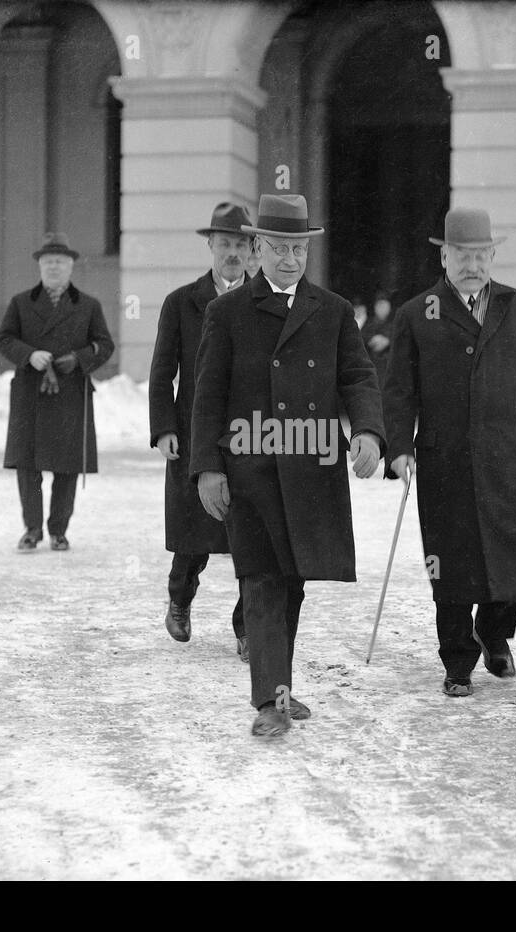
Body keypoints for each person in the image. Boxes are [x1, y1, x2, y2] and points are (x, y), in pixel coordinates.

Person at [190, 193, 385, 737]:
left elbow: (357, 377)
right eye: (278, 247)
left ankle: (280, 688)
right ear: (259, 248)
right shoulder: (225, 312)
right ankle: (267, 704)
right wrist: (208, 466)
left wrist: (368, 431)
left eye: (298, 248)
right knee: (261, 580)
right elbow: (208, 395)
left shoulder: (333, 311)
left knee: (293, 582)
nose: (290, 259)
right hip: (249, 471)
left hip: (310, 472)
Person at [383, 208, 516, 697]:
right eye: (461, 254)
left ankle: (495, 631)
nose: (471, 264)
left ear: (492, 255)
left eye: (480, 254)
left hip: (514, 457)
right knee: (451, 568)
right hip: (448, 463)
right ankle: (458, 662)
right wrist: (398, 448)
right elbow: (398, 391)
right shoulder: (415, 313)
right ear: (444, 255)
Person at [149, 203, 252, 655]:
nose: (232, 252)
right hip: (194, 432)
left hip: (251, 436)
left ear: (252, 250)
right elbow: (160, 372)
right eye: (225, 243)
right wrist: (163, 428)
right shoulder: (180, 302)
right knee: (194, 535)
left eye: (240, 244)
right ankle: (179, 600)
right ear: (210, 245)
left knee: (253, 535)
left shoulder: (263, 300)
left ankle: (248, 626)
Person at [0, 232, 114, 551]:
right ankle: (32, 529)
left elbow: (105, 345)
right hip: (30, 394)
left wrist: (78, 359)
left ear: (71, 267)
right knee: (28, 467)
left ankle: (59, 530)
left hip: (70, 393)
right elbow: (4, 338)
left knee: (66, 467)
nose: (54, 268)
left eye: (60, 262)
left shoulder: (89, 306)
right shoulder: (21, 303)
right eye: (48, 262)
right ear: (39, 267)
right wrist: (29, 355)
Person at [363, 290, 395, 386]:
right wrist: (371, 340)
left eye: (384, 306)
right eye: (379, 305)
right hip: (372, 368)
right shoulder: (368, 324)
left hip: (389, 369)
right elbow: (361, 339)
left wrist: (388, 341)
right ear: (375, 307)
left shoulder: (395, 323)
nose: (382, 309)